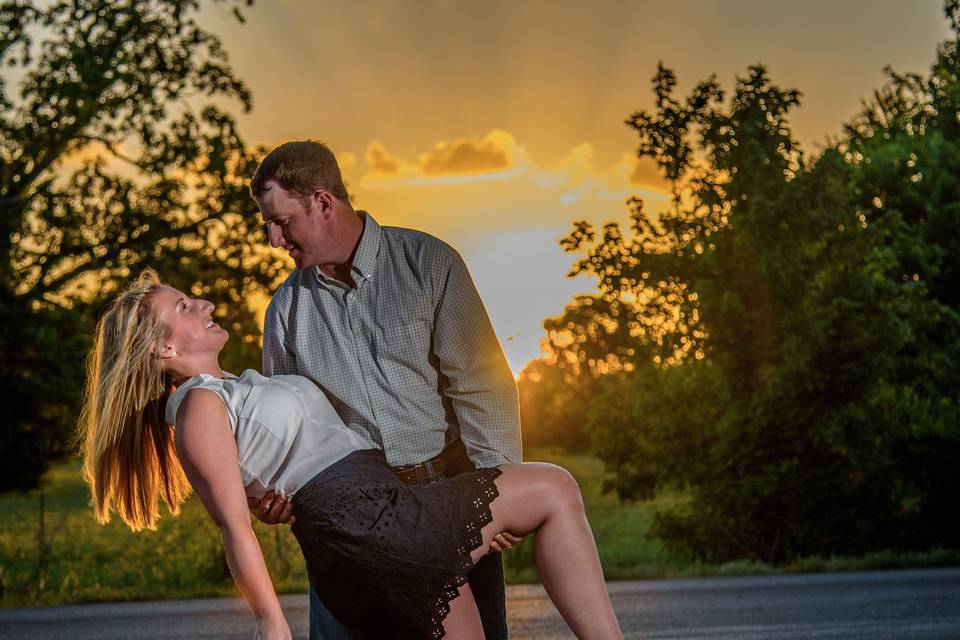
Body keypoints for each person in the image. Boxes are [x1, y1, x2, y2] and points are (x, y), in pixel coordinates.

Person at [78, 270, 624, 639]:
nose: (205, 304)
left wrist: (263, 492)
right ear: (163, 348)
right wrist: (272, 623)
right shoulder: (197, 405)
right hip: (362, 522)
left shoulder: (233, 388)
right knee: (554, 487)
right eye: (184, 306)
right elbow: (233, 527)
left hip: (382, 505)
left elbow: (255, 478)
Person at [247, 140, 522, 639]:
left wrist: (496, 491)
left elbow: (481, 384)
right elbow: (281, 430)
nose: (273, 239)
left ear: (323, 202)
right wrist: (271, 494)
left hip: (445, 496)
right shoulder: (284, 312)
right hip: (346, 517)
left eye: (282, 220)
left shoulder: (429, 262)